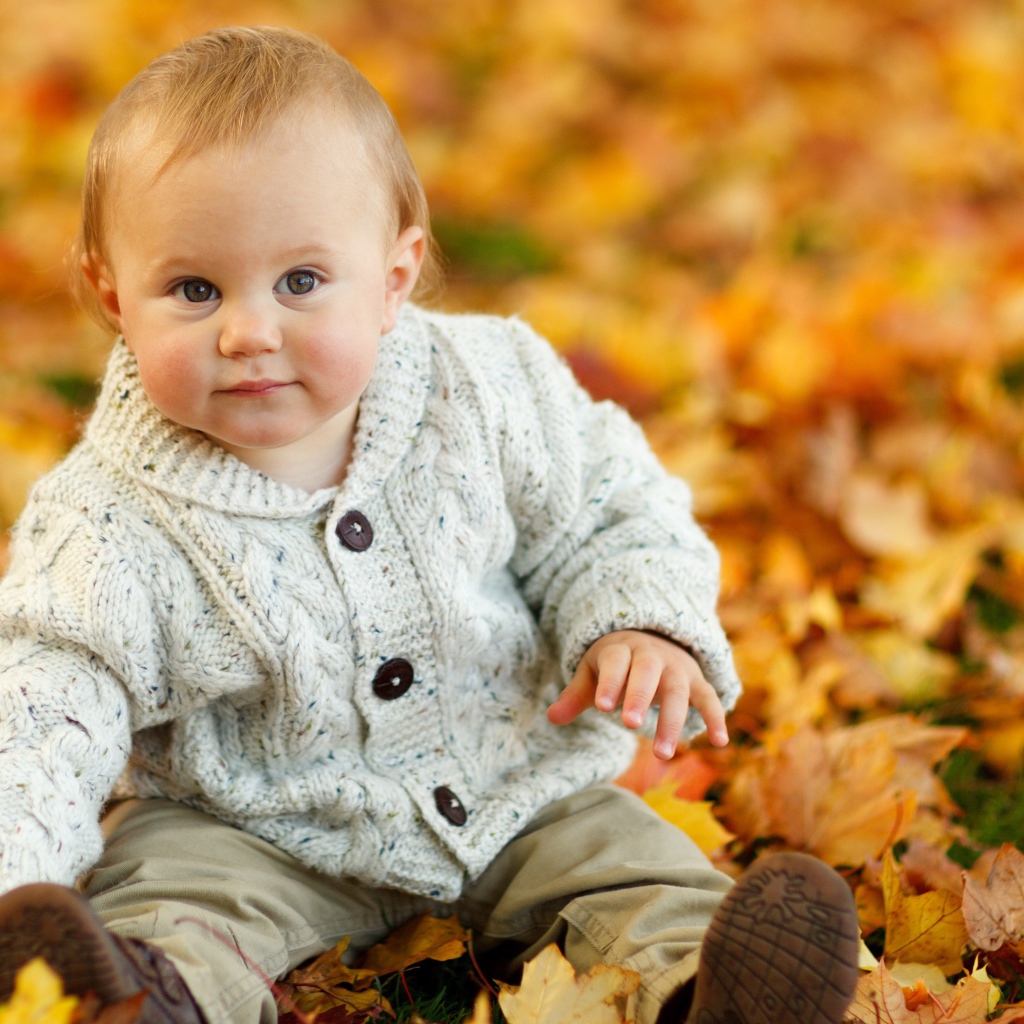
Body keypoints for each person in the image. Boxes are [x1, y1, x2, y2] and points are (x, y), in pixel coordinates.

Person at [0, 26, 859, 1024]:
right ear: (113, 293)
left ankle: (704, 994)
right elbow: (39, 715)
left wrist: (640, 620)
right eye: (194, 290)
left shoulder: (487, 388)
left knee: (634, 870)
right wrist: (19, 882)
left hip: (517, 782)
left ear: (395, 275)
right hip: (252, 823)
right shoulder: (103, 522)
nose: (247, 331)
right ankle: (145, 998)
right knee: (172, 899)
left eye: (301, 282)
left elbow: (609, 506)